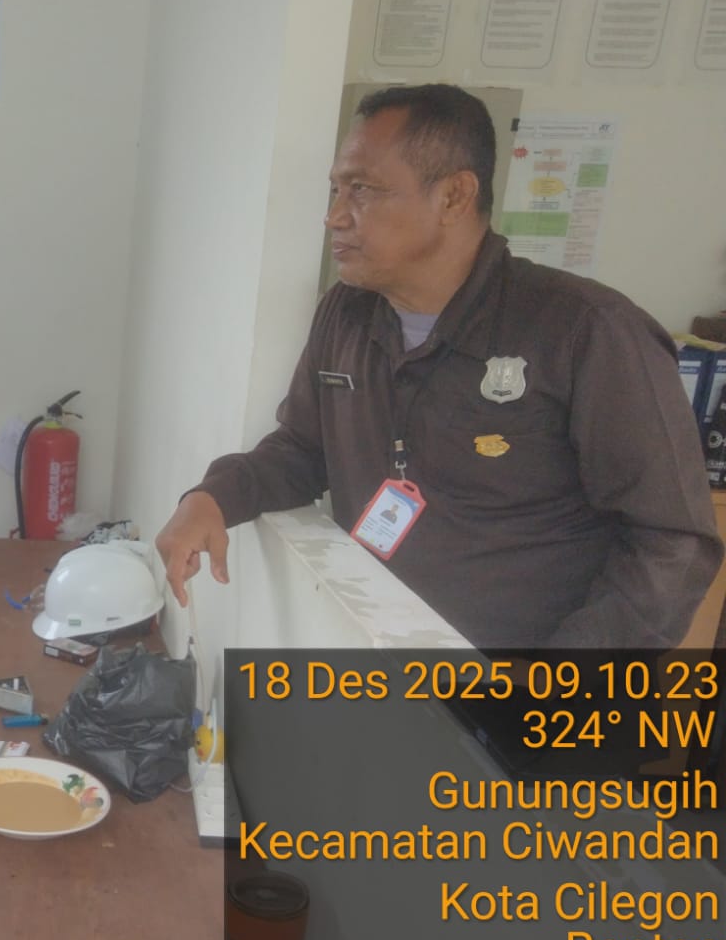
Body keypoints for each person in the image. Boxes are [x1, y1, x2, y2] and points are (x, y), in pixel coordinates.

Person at [156, 84, 722, 649]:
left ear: (454, 196)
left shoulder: (586, 331)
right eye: (335, 189)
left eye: (362, 190)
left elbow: (673, 542)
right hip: (379, 654)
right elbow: (304, 449)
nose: (334, 217)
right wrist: (214, 497)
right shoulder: (347, 312)